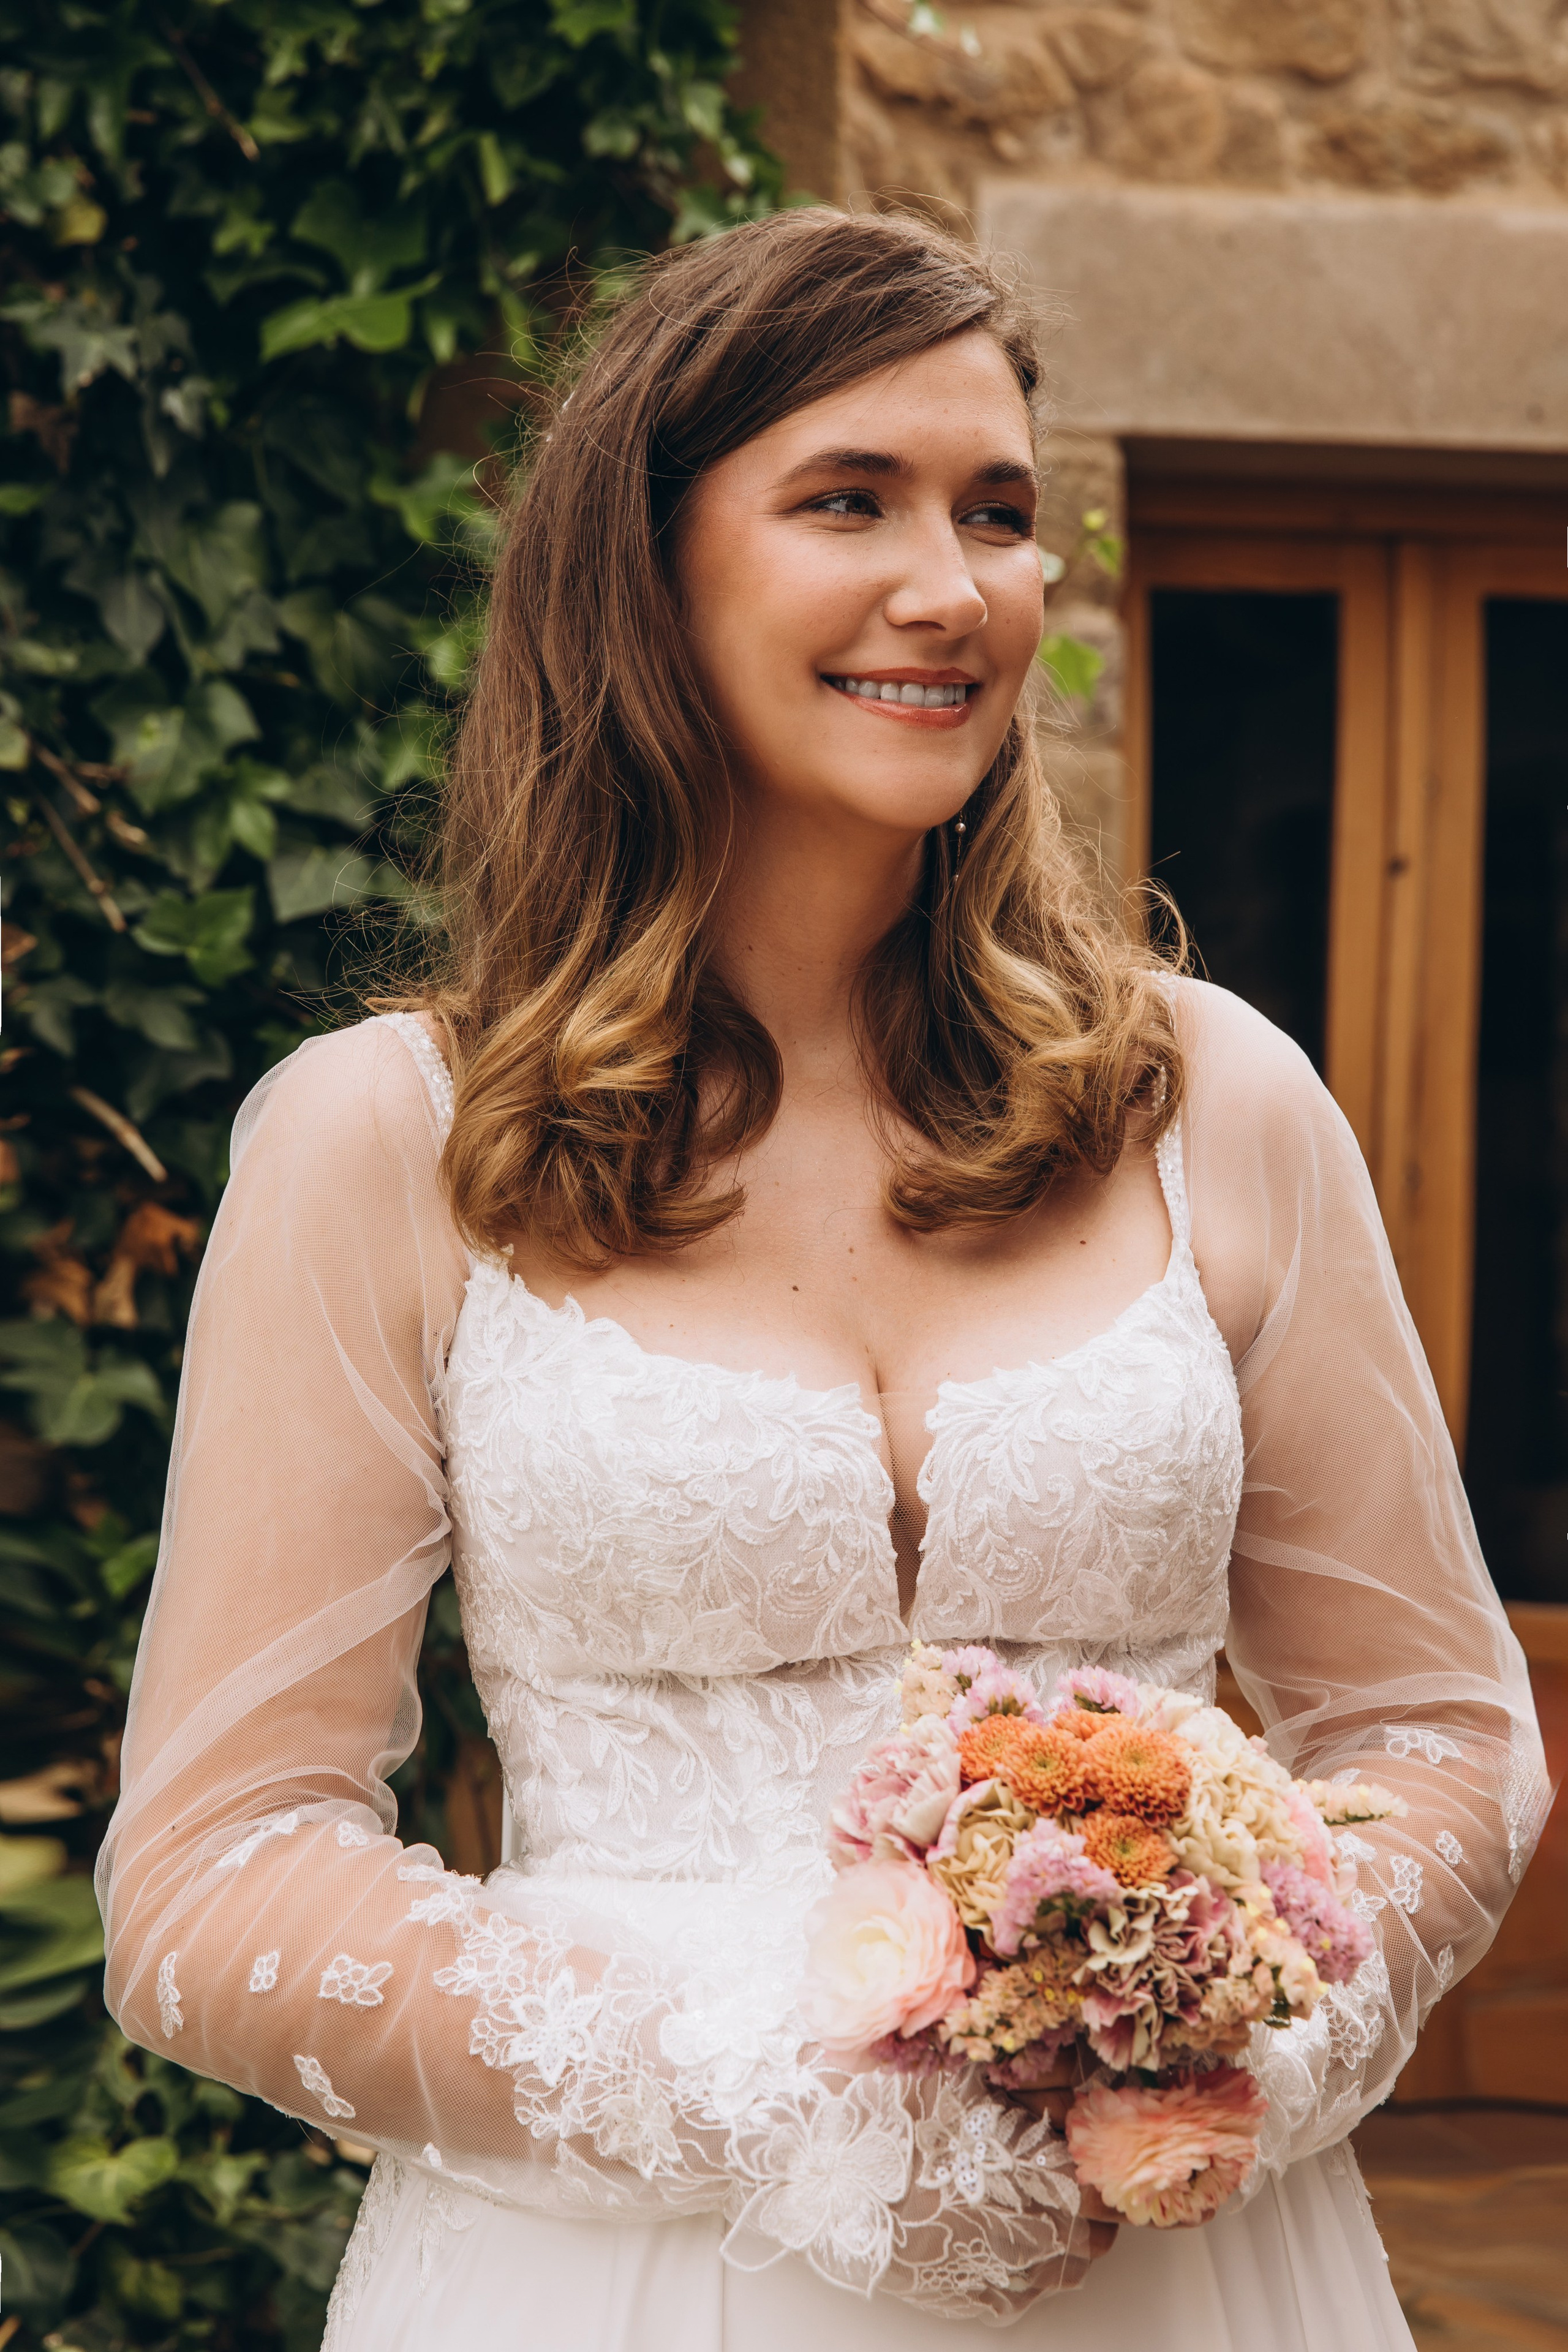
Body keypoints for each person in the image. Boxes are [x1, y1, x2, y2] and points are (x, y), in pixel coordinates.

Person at [99, 208, 1545, 2350]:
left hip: (1181, 2267)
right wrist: (786, 2088)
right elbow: (211, 1876)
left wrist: (1225, 2037)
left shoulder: (1210, 1096)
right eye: (844, 501)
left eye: (999, 515)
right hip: (612, 2278)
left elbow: (1436, 1731)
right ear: (649, 572)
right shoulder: (385, 1142)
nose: (949, 589)